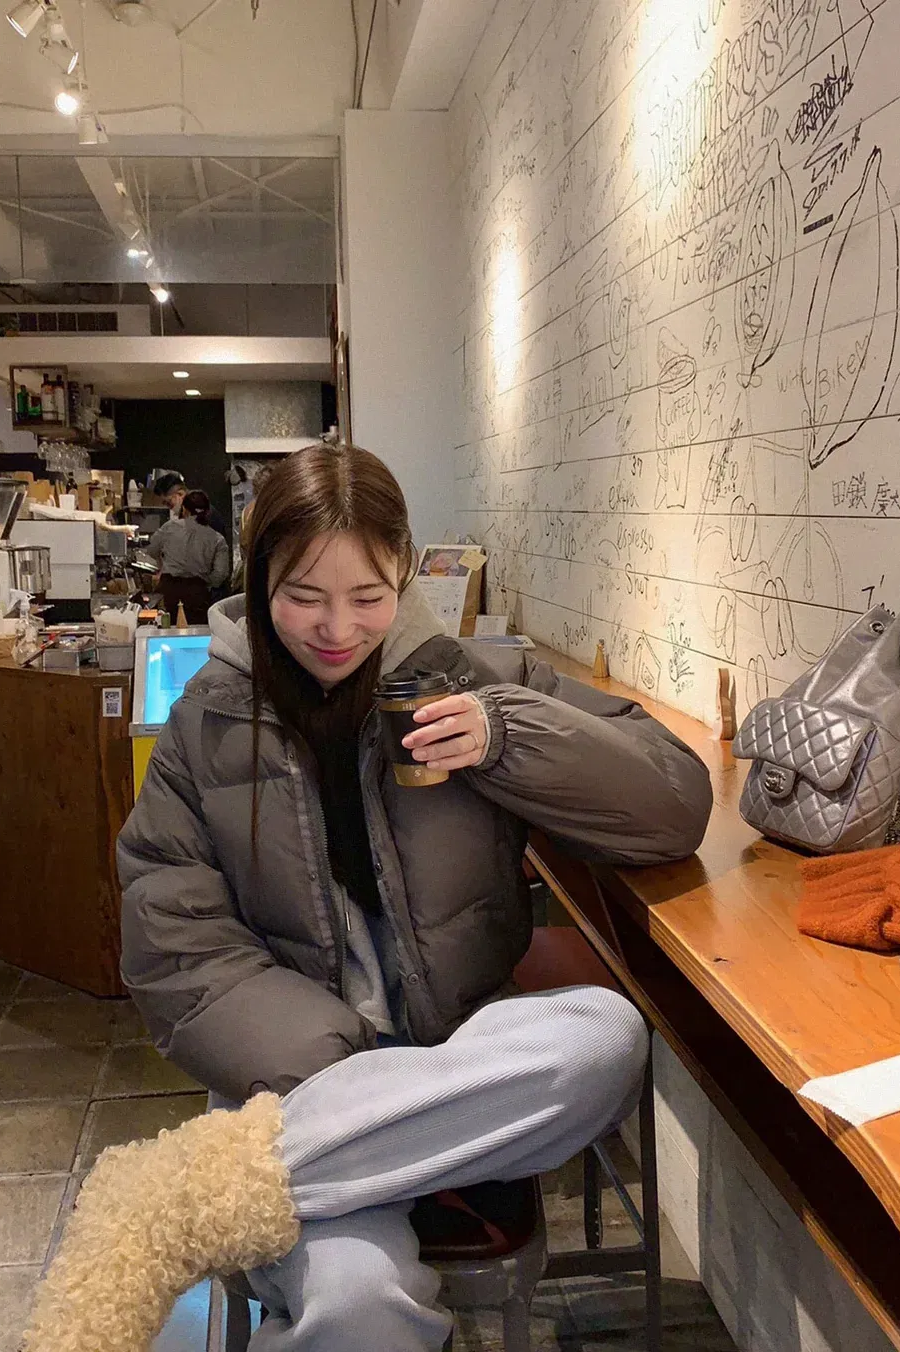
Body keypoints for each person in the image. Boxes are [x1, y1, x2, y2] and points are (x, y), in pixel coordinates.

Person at [116, 443, 712, 1352]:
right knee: (358, 1302)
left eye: (367, 596)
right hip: (299, 1081)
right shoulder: (205, 724)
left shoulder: (472, 681)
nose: (336, 629)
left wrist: (506, 737)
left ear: (402, 571)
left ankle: (201, 1191)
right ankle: (352, 1151)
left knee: (605, 1037)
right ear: (260, 580)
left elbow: (672, 805)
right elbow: (176, 946)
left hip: (451, 1056)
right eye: (304, 595)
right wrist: (343, 1066)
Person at [146, 489, 229, 625]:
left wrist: (162, 564)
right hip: (198, 593)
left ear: (184, 509)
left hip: (170, 590)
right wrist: (206, 583)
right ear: (207, 511)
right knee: (197, 630)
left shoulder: (169, 528)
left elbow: (151, 550)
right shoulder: (217, 539)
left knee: (170, 628)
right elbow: (221, 573)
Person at [153, 471, 227, 537]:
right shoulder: (190, 514)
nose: (170, 508)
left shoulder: (203, 515)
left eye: (169, 503)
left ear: (180, 494)